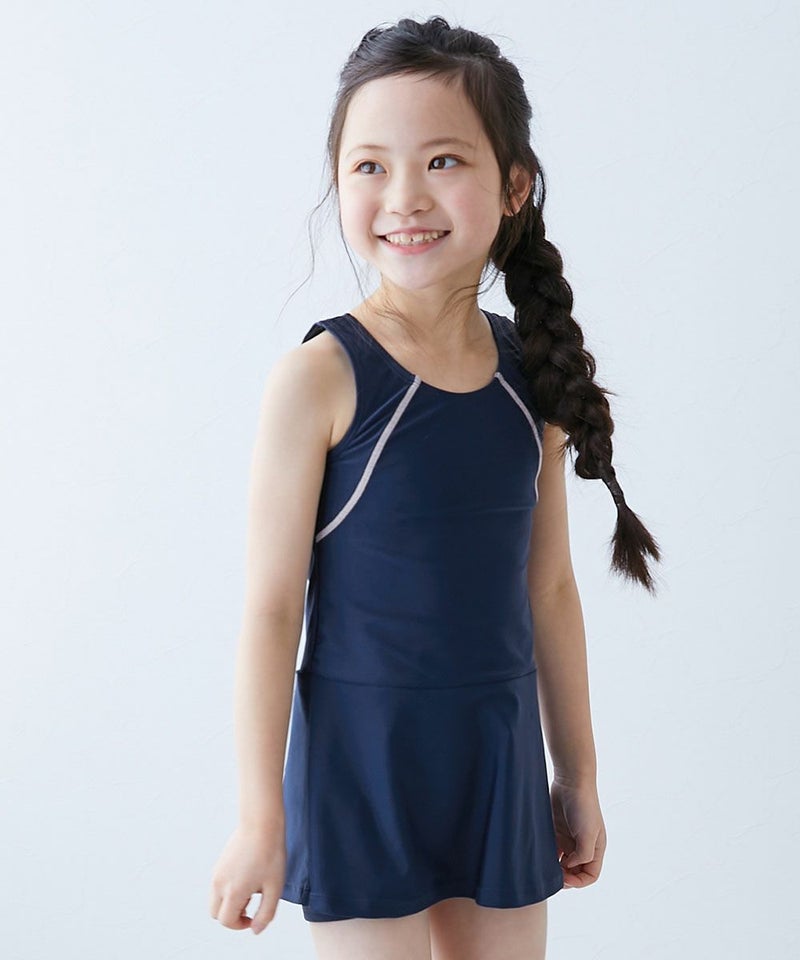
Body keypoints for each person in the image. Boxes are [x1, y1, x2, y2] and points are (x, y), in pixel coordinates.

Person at [209, 14, 661, 960]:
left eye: (444, 160)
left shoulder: (529, 373)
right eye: (369, 166)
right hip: (361, 766)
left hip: (496, 755)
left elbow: (549, 588)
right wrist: (259, 819)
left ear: (515, 185)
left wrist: (578, 776)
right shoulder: (321, 378)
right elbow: (271, 609)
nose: (404, 196)